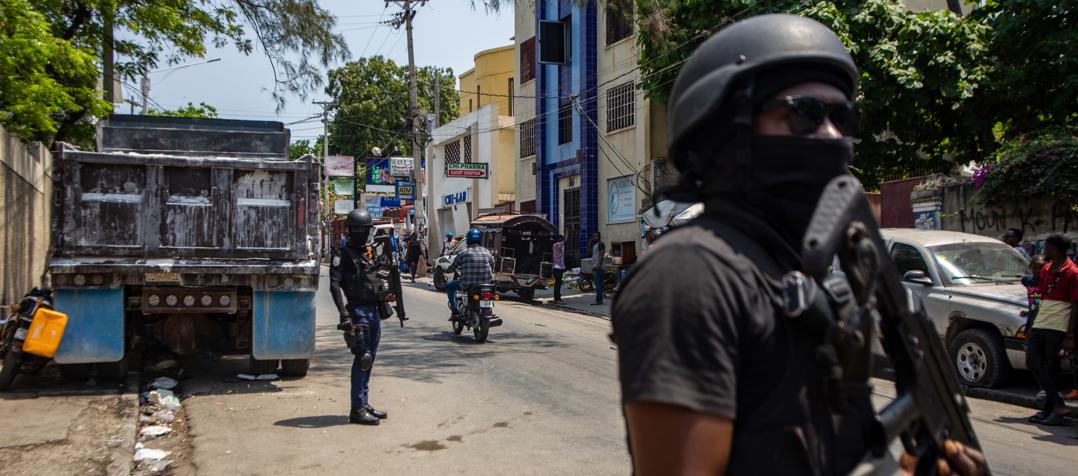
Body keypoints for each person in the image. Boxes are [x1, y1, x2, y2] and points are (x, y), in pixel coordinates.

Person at [611, 14, 985, 475]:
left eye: (843, 117)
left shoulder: (793, 278)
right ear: (728, 134)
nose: (832, 136)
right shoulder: (691, 276)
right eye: (803, 114)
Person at [329, 209, 389, 426]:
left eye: (366, 230)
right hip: (357, 311)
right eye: (361, 230)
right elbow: (334, 285)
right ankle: (357, 409)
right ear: (352, 230)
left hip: (373, 311)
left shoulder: (368, 253)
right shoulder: (341, 255)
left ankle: (364, 402)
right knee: (362, 359)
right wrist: (343, 315)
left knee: (370, 359)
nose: (364, 234)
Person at [1026, 234, 1078, 426]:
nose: (1044, 251)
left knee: (1051, 366)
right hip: (1043, 319)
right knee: (1032, 361)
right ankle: (1057, 404)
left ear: (1056, 249)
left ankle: (1050, 409)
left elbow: (1075, 305)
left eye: (1047, 247)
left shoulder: (1072, 272)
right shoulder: (1047, 268)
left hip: (1059, 323)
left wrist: (1070, 336)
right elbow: (1042, 297)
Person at [445, 228, 495, 320]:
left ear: (468, 240)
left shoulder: (463, 253)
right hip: (486, 285)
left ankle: (454, 310)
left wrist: (447, 270)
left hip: (467, 284)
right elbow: (492, 265)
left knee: (449, 286)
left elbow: (453, 267)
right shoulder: (487, 252)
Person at [589, 232, 606, 305]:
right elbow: (589, 253)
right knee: (599, 284)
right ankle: (600, 299)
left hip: (598, 267)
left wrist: (598, 265)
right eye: (593, 236)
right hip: (595, 266)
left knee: (598, 284)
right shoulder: (594, 245)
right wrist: (589, 244)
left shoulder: (600, 244)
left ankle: (599, 300)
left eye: (596, 236)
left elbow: (601, 255)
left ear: (599, 237)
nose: (594, 237)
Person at [551, 235, 566, 304]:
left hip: (557, 267)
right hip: (558, 267)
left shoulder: (555, 245)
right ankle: (557, 298)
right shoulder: (557, 245)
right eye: (561, 239)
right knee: (558, 284)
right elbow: (565, 241)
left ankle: (556, 298)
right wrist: (567, 233)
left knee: (557, 284)